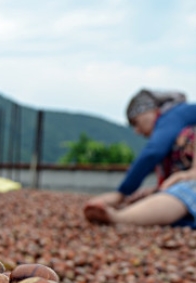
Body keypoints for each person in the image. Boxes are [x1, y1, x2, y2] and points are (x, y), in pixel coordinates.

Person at [83, 89, 196, 226]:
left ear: (150, 111)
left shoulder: (173, 116)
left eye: (135, 122)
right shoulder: (180, 126)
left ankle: (121, 218)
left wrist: (122, 193)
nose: (137, 131)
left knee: (185, 191)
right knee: (176, 195)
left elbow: (153, 152)